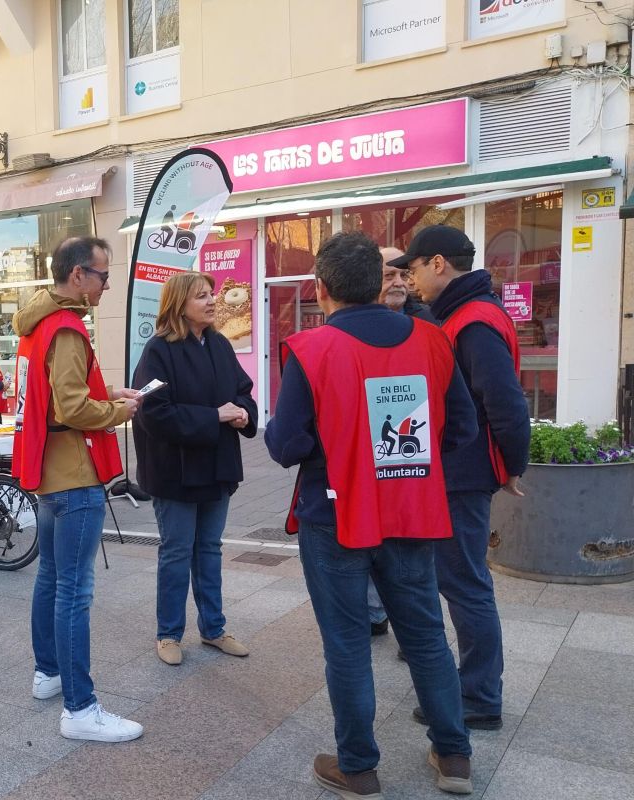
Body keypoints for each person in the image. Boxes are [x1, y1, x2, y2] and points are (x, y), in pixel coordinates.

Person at [265, 232, 479, 799]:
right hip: (411, 510)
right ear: (384, 283)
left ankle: (358, 767)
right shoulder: (433, 340)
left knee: (347, 642)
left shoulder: (312, 348)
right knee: (426, 636)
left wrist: (335, 444)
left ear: (322, 288)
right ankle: (454, 755)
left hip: (333, 515)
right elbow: (461, 428)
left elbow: (286, 444)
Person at [389, 225, 530, 732]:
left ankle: (478, 697)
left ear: (438, 264)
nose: (409, 281)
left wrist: (512, 465)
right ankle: (473, 690)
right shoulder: (466, 313)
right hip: (458, 470)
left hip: (463, 473)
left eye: (413, 269)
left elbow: (506, 401)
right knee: (461, 581)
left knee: (466, 585)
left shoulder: (472, 321)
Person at [12, 236, 144, 743]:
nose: (107, 284)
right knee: (74, 590)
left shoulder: (39, 322)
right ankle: (81, 709)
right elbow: (70, 407)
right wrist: (118, 411)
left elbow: (51, 396)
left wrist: (108, 392)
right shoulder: (66, 329)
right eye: (103, 275)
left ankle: (48, 674)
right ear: (77, 276)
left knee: (51, 578)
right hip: (75, 475)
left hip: (49, 472)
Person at [131, 271, 255, 666]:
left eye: (211, 294)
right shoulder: (158, 350)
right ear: (179, 304)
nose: (212, 301)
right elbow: (152, 412)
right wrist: (214, 416)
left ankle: (213, 629)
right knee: (177, 552)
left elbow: (243, 392)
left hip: (217, 466)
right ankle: (168, 633)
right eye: (201, 296)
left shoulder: (220, 344)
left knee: (210, 550)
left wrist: (243, 413)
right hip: (176, 472)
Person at [367, 247, 437, 637]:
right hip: (368, 462)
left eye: (402, 275)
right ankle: (374, 613)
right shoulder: (350, 329)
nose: (398, 283)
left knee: (410, 554)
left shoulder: (428, 325)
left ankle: (412, 631)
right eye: (388, 275)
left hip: (414, 464)